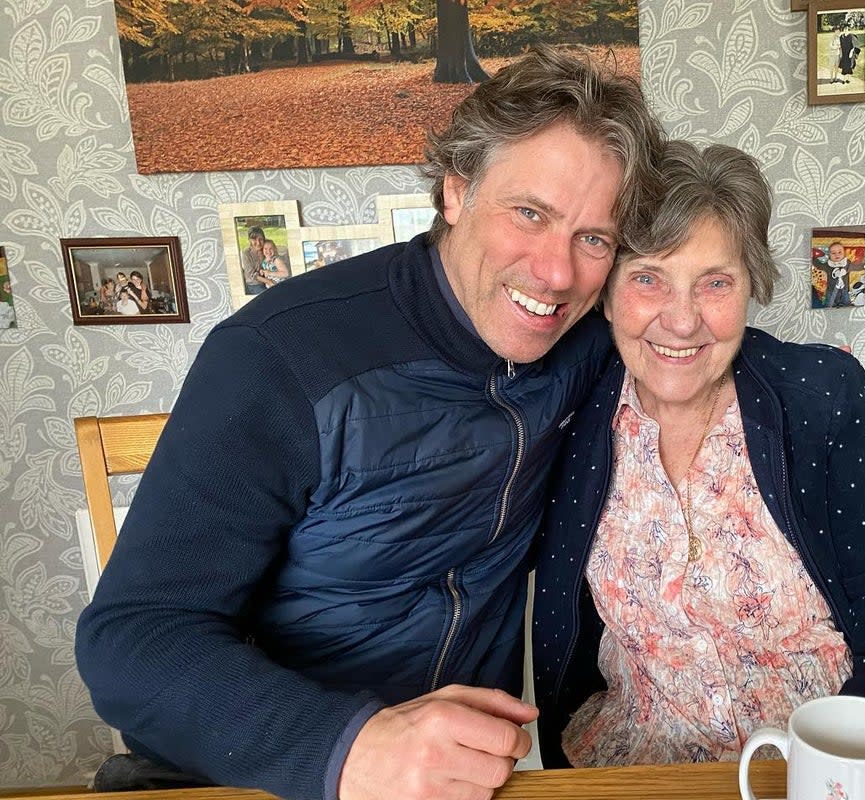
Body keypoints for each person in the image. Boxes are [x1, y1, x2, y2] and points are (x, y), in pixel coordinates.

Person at [75, 44, 663, 800]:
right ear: (456, 192)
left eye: (594, 239)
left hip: (459, 779)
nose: (556, 274)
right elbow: (131, 642)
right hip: (250, 771)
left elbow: (701, 339)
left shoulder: (583, 336)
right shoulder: (281, 355)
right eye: (529, 213)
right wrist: (350, 750)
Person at [531, 140, 865, 769]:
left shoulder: (824, 399)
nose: (681, 320)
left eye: (715, 283)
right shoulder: (567, 420)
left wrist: (844, 774)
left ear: (752, 285)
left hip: (832, 756)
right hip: (639, 764)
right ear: (608, 296)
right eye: (647, 278)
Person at [825, 241, 858, 307]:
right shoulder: (828, 264)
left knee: (847, 304)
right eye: (833, 253)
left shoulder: (847, 262)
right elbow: (819, 265)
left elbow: (856, 266)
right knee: (829, 305)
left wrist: (844, 270)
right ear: (829, 255)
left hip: (844, 290)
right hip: (831, 290)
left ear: (844, 254)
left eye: (840, 252)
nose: (837, 255)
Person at [240, 226, 267, 295]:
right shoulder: (246, 253)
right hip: (254, 284)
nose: (258, 243)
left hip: (268, 280)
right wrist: (269, 281)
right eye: (254, 239)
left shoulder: (266, 249)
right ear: (249, 240)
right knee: (267, 296)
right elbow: (252, 275)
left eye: (260, 239)